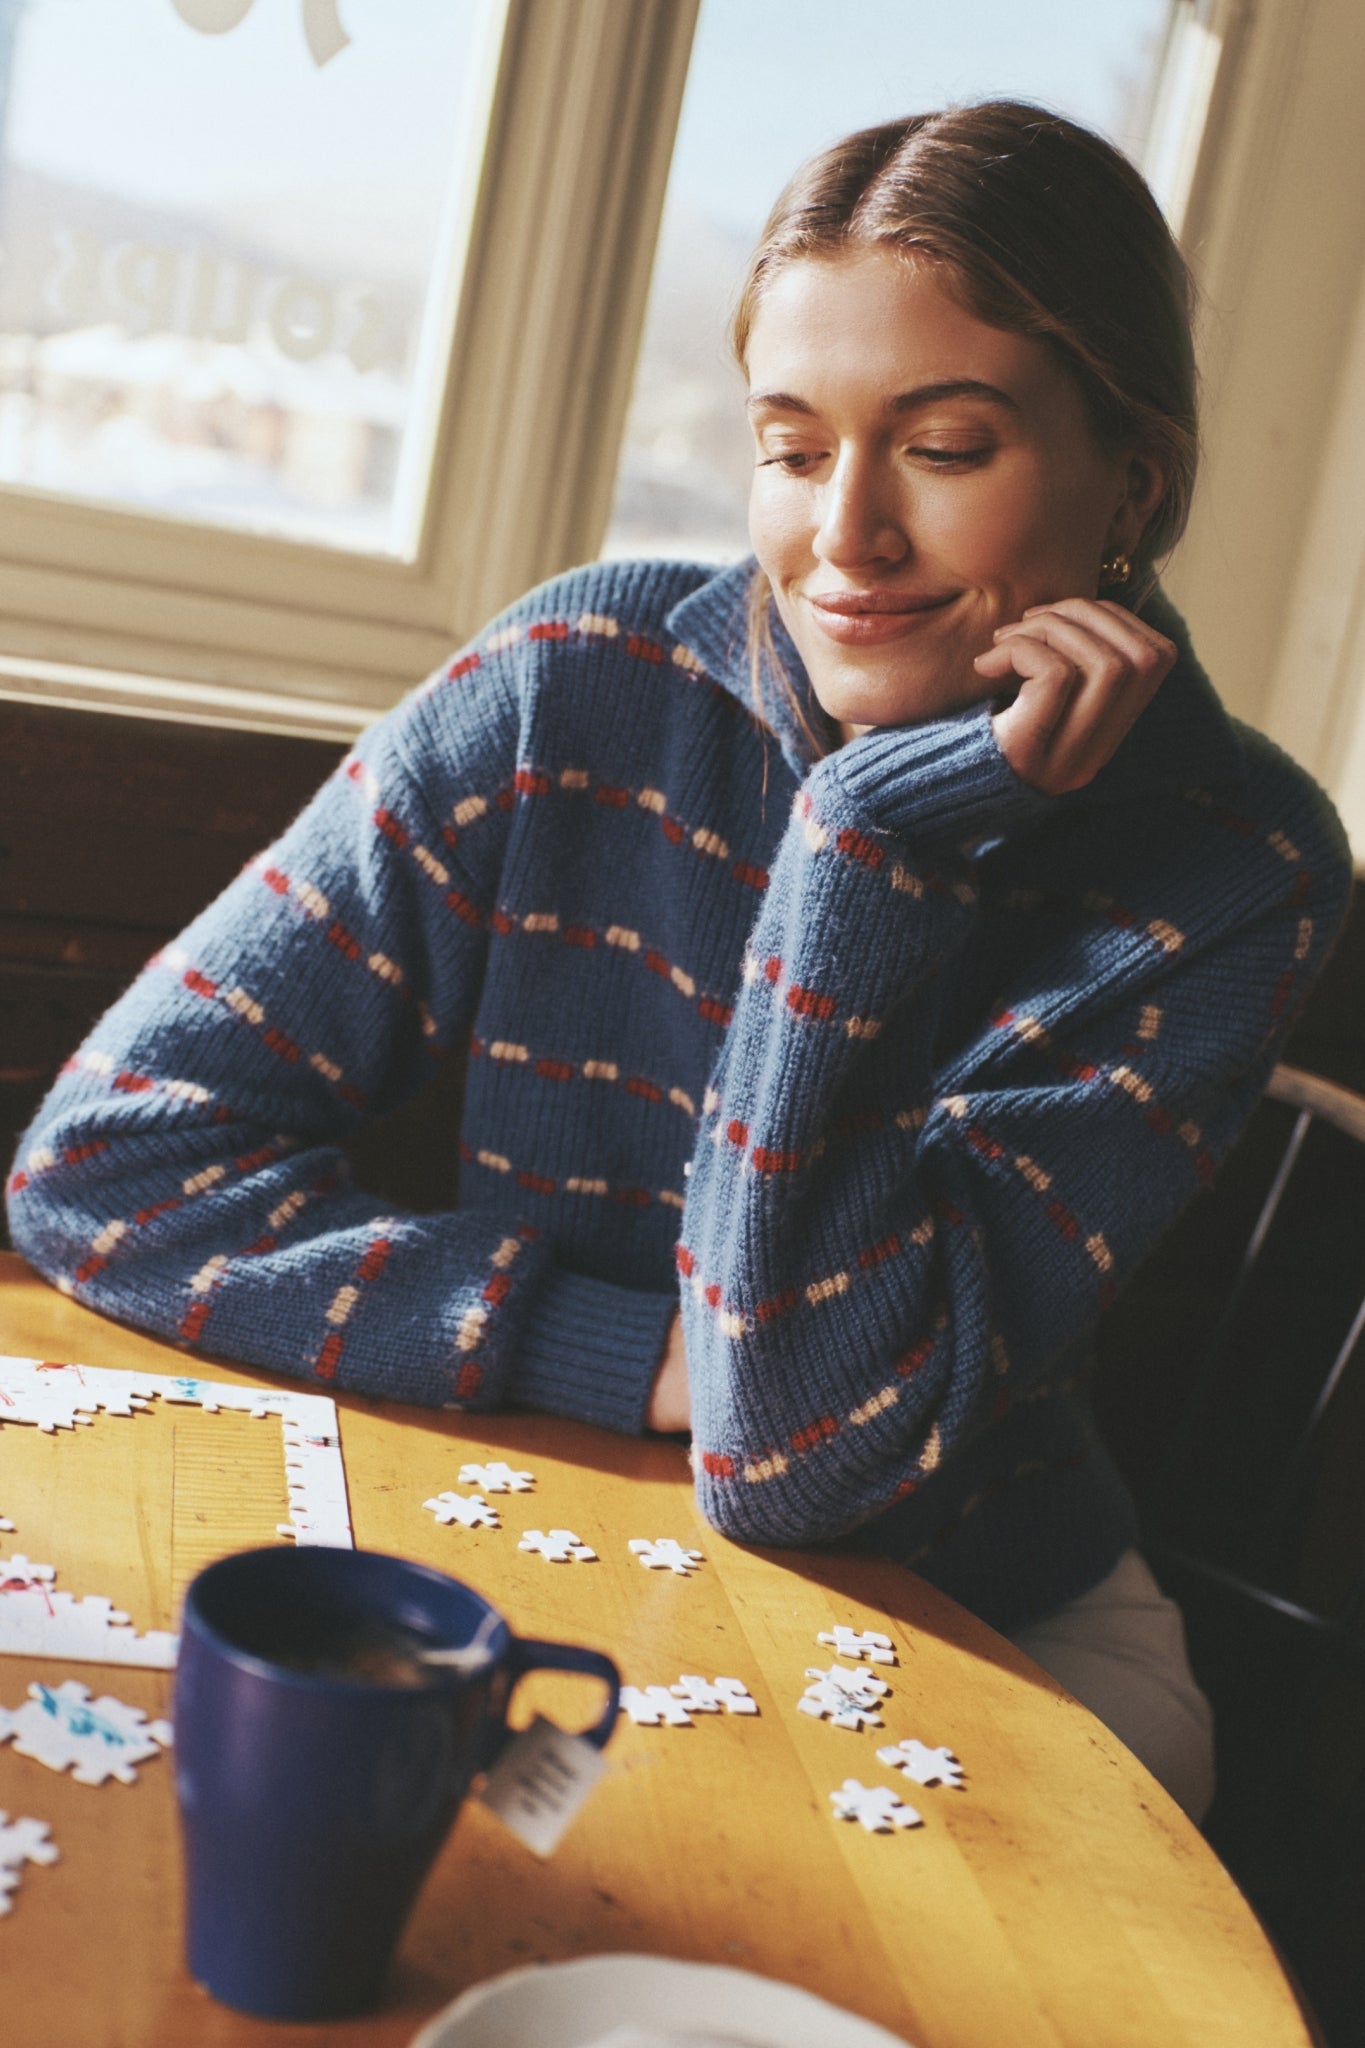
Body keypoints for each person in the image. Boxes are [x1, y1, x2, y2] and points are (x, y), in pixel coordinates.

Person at [8, 104, 1351, 1822]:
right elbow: (102, 1168)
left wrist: (865, 848)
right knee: (482, 1846)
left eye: (941, 447)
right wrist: (616, 1356)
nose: (844, 535)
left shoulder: (1235, 862)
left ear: (1133, 483)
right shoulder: (573, 678)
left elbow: (802, 1462)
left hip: (981, 1604)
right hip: (540, 1514)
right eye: (793, 448)